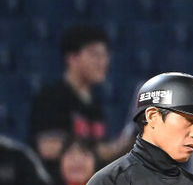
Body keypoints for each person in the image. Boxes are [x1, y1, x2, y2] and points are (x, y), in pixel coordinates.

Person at [28, 24, 128, 167]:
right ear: (72, 58)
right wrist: (98, 150)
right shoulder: (51, 98)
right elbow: (47, 148)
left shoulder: (95, 103)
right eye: (95, 55)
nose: (103, 62)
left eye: (105, 55)